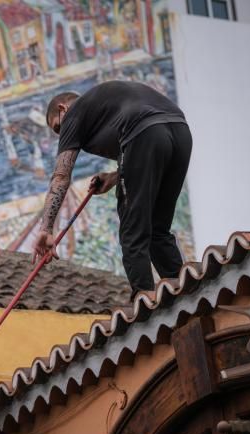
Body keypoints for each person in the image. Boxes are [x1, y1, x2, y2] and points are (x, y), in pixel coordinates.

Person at [33, 81, 193, 299]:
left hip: (144, 132)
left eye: (58, 128)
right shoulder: (104, 108)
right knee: (157, 230)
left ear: (62, 108)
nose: (62, 135)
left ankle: (145, 300)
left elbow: (61, 176)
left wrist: (46, 229)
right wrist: (115, 176)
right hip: (180, 132)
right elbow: (141, 157)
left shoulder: (73, 113)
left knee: (132, 230)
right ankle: (185, 294)